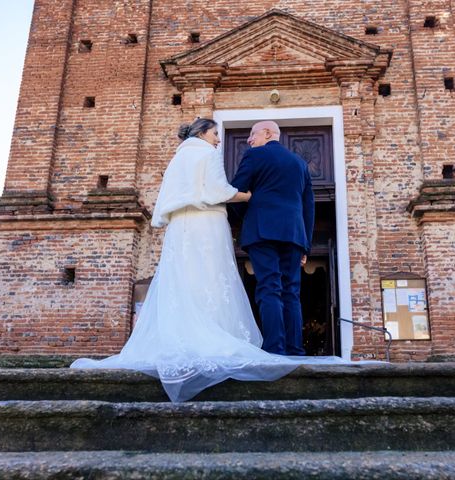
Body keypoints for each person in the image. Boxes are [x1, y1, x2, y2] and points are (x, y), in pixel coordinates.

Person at [71, 118, 298, 402]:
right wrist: (245, 195)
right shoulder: (208, 154)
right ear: (203, 133)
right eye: (216, 134)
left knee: (183, 279)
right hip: (206, 225)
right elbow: (217, 191)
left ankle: (183, 336)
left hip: (180, 228)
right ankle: (212, 335)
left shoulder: (177, 158)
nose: (218, 140)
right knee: (211, 278)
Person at [231, 121, 314, 355]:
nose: (249, 140)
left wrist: (248, 217)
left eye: (252, 134)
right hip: (294, 234)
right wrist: (305, 244)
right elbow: (309, 206)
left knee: (269, 287)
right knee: (291, 291)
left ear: (268, 133)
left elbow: (236, 192)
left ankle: (275, 349)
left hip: (262, 230)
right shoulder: (300, 163)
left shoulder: (254, 156)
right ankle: (295, 349)